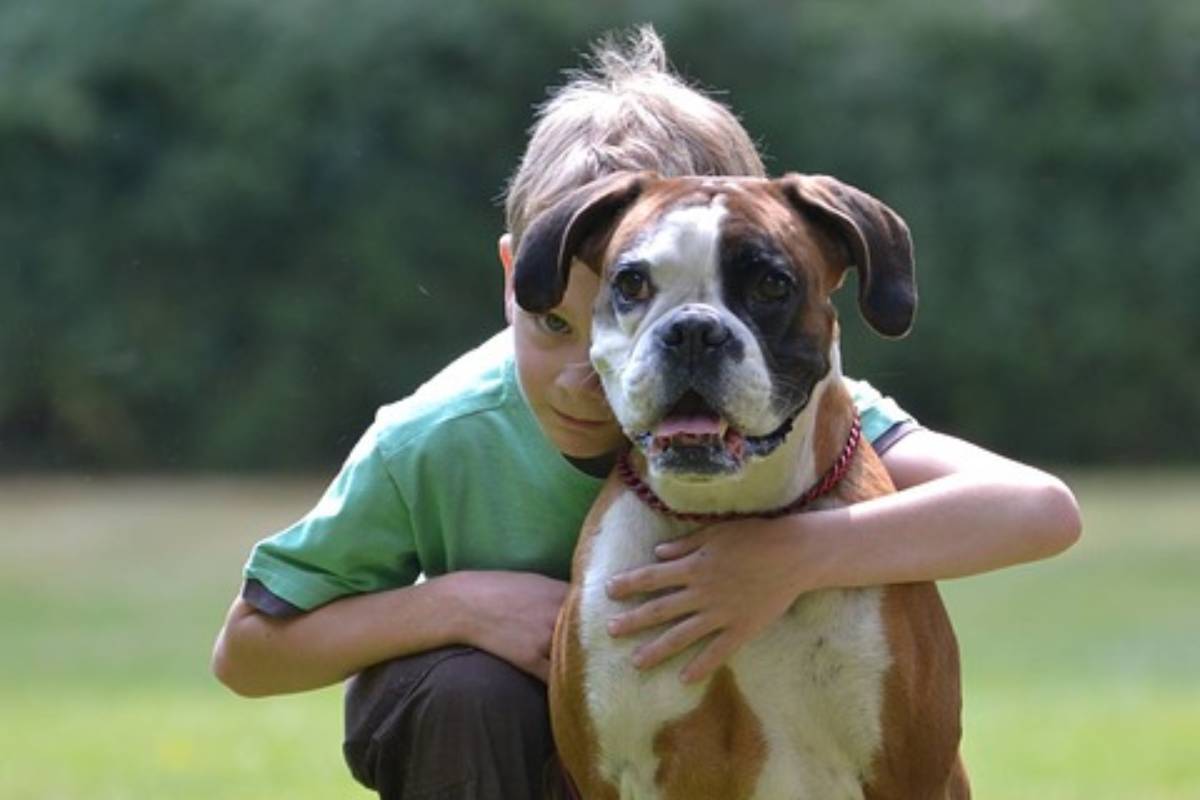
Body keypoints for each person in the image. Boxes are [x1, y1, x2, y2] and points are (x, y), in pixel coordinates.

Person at [211, 27, 1081, 800]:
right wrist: (462, 605)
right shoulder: (438, 435)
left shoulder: (832, 427)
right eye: (609, 306)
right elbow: (247, 650)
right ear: (525, 273)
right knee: (462, 695)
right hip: (504, 745)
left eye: (763, 286)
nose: (669, 348)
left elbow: (1040, 510)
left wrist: (782, 556)